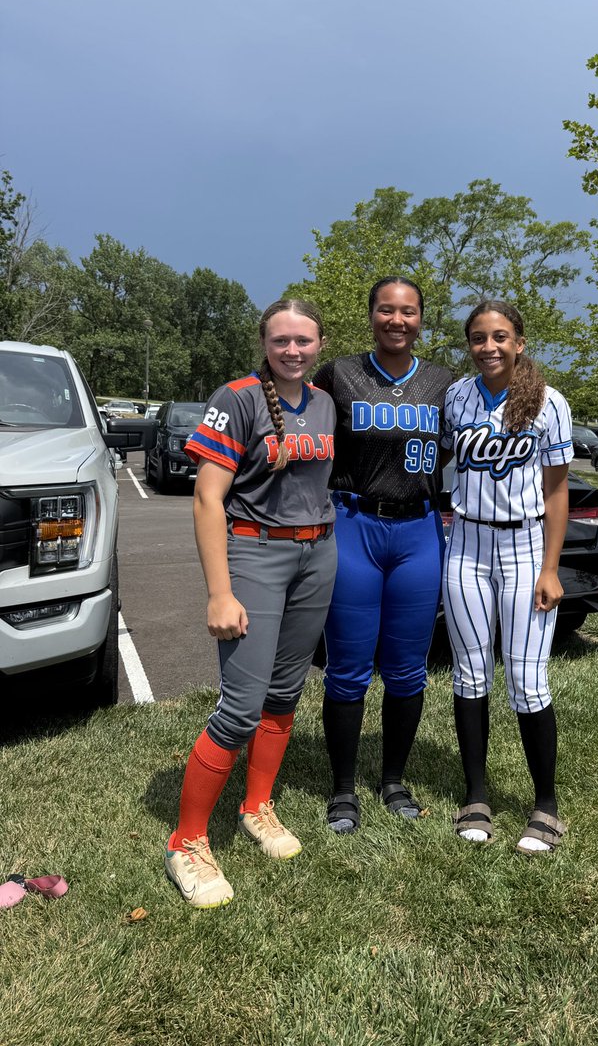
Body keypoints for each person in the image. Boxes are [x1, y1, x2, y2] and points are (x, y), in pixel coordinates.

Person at [164, 299, 337, 908]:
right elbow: (208, 500)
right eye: (281, 340)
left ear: (319, 344)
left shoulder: (323, 402)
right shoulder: (236, 398)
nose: (293, 350)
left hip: (317, 554)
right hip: (254, 554)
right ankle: (185, 840)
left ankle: (256, 806)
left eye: (304, 341)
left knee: (285, 692)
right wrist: (219, 591)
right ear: (265, 343)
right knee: (239, 708)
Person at [312, 277, 453, 834]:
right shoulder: (339, 374)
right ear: (371, 314)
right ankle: (343, 787)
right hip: (354, 525)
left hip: (418, 530)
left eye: (409, 311)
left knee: (407, 670)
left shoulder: (445, 382)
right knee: (347, 669)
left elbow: (493, 418)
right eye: (386, 310)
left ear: (422, 319)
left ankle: (393, 778)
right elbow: (288, 406)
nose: (398, 320)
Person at [441, 300, 573, 854]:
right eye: (477, 338)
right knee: (470, 675)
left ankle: (546, 804)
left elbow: (558, 491)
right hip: (466, 542)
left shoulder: (549, 403)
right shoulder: (457, 397)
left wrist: (551, 568)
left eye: (499, 336)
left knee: (527, 678)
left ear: (519, 341)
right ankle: (477, 795)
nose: (488, 347)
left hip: (524, 544)